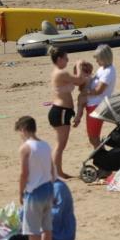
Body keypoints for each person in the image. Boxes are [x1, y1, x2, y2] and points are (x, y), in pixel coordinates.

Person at [15, 115, 54, 240]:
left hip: (34, 191)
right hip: (48, 188)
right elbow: (52, 169)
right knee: (47, 227)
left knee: (32, 229)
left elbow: (24, 173)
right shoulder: (45, 145)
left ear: (23, 129)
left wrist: (20, 192)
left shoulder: (26, 147)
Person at [48, 47, 87, 179]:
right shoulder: (60, 73)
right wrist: (79, 65)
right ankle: (57, 172)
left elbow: (76, 81)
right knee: (60, 144)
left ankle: (57, 171)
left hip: (62, 111)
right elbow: (80, 80)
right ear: (59, 59)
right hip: (60, 111)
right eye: (66, 58)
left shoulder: (60, 73)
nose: (67, 61)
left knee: (61, 144)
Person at [82, 45, 117, 147]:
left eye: (98, 59)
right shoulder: (102, 68)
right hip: (92, 105)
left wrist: (85, 93)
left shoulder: (109, 71)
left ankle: (103, 158)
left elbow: (98, 90)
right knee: (92, 137)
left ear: (104, 58)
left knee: (94, 137)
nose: (96, 61)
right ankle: (102, 158)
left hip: (97, 106)